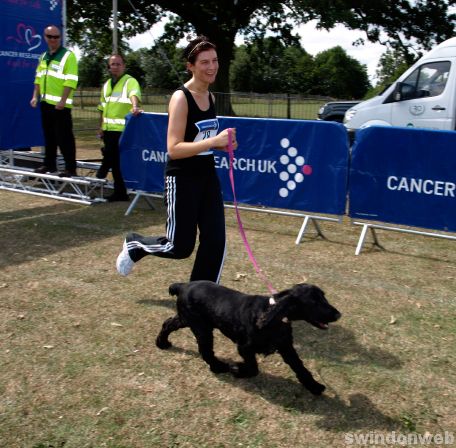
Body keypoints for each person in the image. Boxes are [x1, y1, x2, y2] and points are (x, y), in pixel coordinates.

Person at [116, 36, 237, 283]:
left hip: (207, 176)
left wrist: (223, 146)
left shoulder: (211, 98)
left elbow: (200, 141)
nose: (212, 66)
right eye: (204, 62)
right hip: (182, 178)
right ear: (190, 65)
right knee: (179, 247)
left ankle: (201, 298)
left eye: (215, 60)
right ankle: (135, 245)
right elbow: (174, 148)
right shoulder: (181, 98)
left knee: (215, 240)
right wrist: (213, 141)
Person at [30, 25, 78, 177]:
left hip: (60, 106)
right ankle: (49, 165)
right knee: (49, 136)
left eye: (56, 37)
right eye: (50, 36)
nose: (53, 40)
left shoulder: (68, 56)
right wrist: (34, 96)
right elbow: (38, 78)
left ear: (60, 38)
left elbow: (71, 81)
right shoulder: (43, 56)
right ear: (45, 37)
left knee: (64, 138)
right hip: (46, 104)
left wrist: (63, 100)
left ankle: (70, 168)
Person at [97, 54, 142, 201]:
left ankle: (102, 171)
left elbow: (133, 94)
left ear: (124, 66)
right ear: (109, 67)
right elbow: (102, 108)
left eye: (118, 64)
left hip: (122, 129)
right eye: (112, 64)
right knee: (116, 162)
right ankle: (120, 192)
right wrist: (101, 126)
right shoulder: (106, 85)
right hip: (108, 129)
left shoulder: (129, 81)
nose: (115, 67)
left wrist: (135, 106)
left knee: (111, 156)